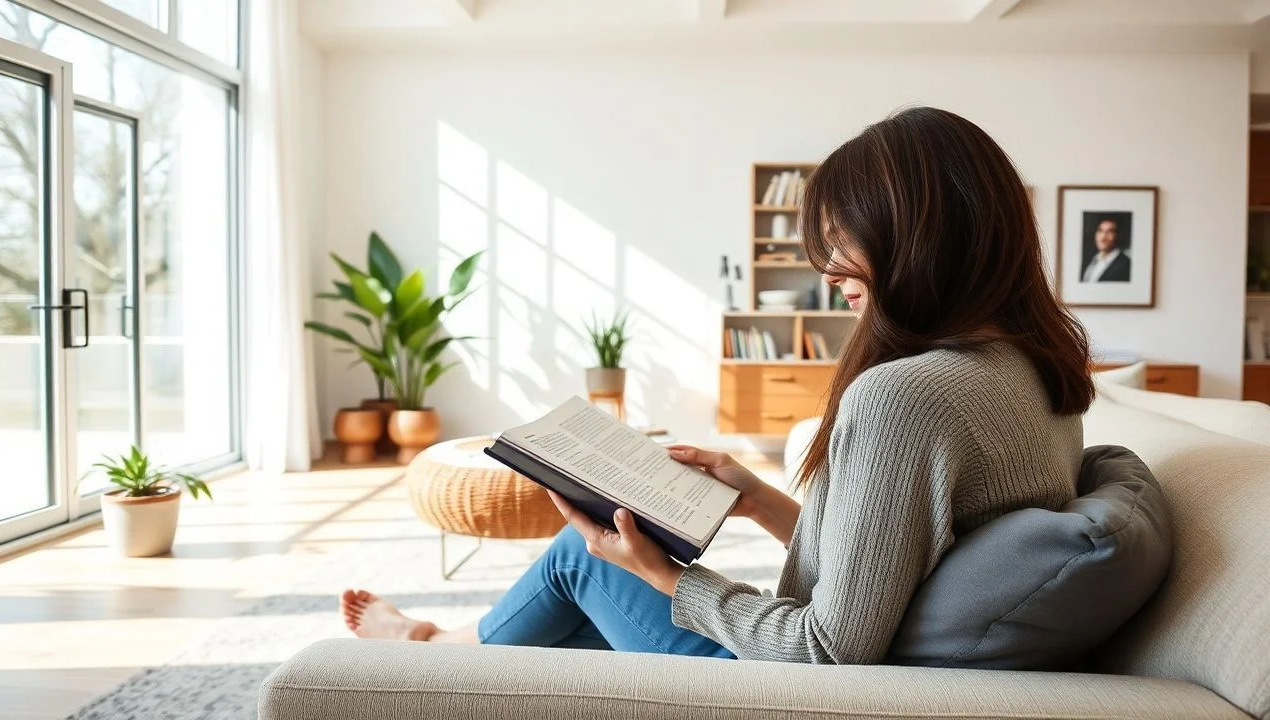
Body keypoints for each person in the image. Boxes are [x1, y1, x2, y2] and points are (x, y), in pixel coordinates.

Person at [339, 107, 1094, 665]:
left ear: (919, 240)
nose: (829, 274)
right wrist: (757, 497)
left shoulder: (907, 397)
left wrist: (665, 575)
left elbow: (827, 651)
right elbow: (894, 564)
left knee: (579, 560)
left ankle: (429, 648)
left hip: (788, 688)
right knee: (566, 612)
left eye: (843, 245)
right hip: (862, 667)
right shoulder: (1037, 376)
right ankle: (446, 644)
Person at [1081, 218, 1132, 282]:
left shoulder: (1126, 264)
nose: (1103, 237)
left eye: (1110, 232)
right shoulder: (1091, 259)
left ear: (1118, 236)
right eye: (1100, 231)